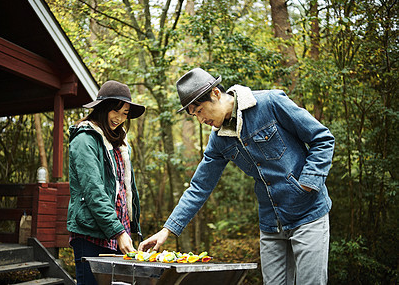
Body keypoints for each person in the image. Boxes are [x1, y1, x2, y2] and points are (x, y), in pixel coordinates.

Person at [138, 68, 335, 285]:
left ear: (215, 93)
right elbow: (199, 187)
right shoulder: (219, 140)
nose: (201, 120)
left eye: (201, 110)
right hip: (271, 224)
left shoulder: (270, 103)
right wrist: (167, 230)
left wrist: (307, 183)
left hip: (308, 214)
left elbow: (322, 139)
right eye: (195, 115)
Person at [67, 80, 145, 285]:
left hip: (118, 235)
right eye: (115, 111)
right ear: (103, 108)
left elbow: (124, 191)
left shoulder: (119, 143)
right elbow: (94, 191)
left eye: (125, 113)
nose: (120, 118)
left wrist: (126, 229)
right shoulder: (84, 140)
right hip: (91, 234)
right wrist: (117, 231)